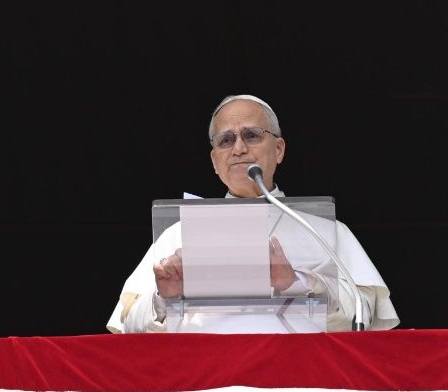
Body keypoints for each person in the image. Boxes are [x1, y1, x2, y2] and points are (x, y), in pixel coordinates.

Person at [106, 94, 399, 333]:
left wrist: (297, 283)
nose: (239, 149)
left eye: (251, 135)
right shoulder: (177, 236)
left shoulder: (324, 231)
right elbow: (128, 326)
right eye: (226, 140)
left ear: (279, 149)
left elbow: (365, 317)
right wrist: (165, 298)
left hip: (298, 376)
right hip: (208, 378)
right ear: (215, 161)